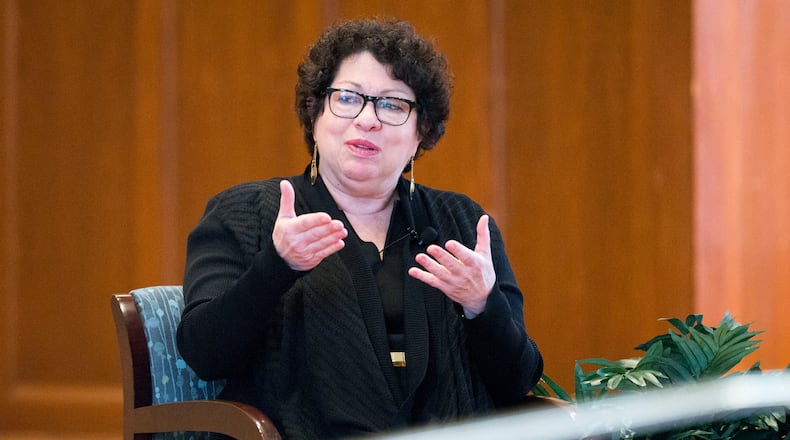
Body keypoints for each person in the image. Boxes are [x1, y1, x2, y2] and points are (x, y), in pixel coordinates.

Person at [177, 18, 543, 439]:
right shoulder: (247, 213)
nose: (368, 119)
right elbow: (204, 354)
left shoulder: (461, 223)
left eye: (392, 104)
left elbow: (518, 380)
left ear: (420, 132)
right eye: (348, 97)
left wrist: (482, 306)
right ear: (315, 113)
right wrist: (275, 267)